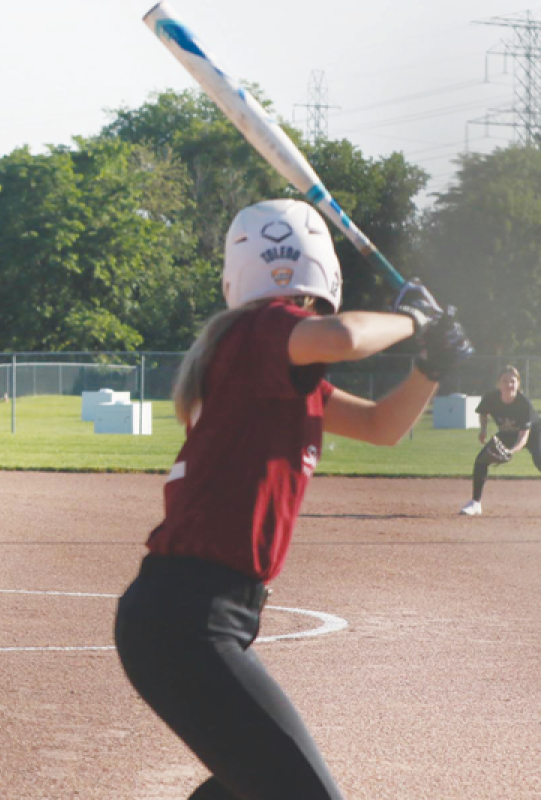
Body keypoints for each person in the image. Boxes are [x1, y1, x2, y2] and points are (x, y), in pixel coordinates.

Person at [113, 198, 472, 800]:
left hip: (188, 619)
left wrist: (429, 367)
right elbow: (346, 335)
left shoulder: (273, 375)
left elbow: (384, 426)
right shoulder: (257, 333)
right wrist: (413, 320)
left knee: (245, 786)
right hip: (190, 621)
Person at [459, 365, 541, 516]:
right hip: (507, 432)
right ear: (498, 384)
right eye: (505, 381)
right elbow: (483, 412)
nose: (509, 384)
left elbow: (523, 438)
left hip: (534, 433)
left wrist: (510, 452)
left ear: (518, 384)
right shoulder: (491, 398)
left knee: (539, 460)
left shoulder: (524, 404)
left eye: (512, 381)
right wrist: (483, 429)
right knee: (481, 460)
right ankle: (475, 503)